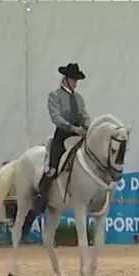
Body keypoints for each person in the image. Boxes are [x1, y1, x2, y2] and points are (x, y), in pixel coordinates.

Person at [36, 63, 91, 213]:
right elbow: (56, 117)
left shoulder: (79, 98)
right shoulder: (55, 96)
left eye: (76, 80)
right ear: (66, 79)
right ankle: (42, 196)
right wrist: (73, 128)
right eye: (73, 79)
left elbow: (84, 115)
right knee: (53, 167)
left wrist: (88, 126)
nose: (75, 83)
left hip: (79, 134)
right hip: (63, 134)